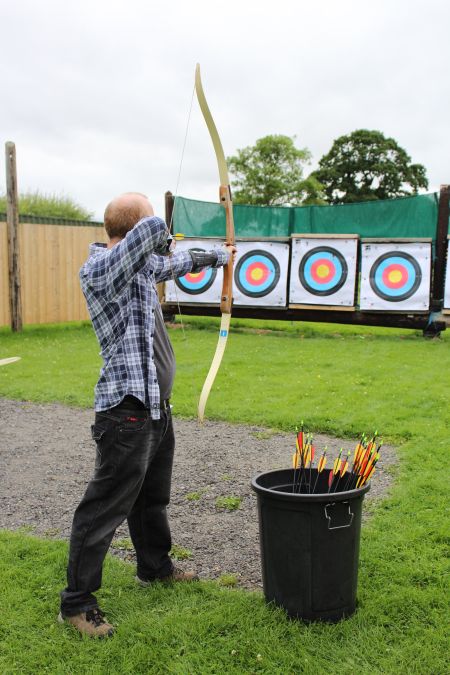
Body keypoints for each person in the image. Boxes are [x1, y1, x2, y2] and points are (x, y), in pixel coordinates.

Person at [58, 192, 236, 638]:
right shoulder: (99, 269)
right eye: (150, 221)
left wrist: (220, 256)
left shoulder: (139, 266)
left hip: (155, 407)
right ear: (135, 226)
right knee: (103, 509)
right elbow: (154, 235)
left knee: (151, 498)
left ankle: (154, 568)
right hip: (125, 412)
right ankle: (76, 605)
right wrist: (157, 227)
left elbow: (175, 263)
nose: (158, 230)